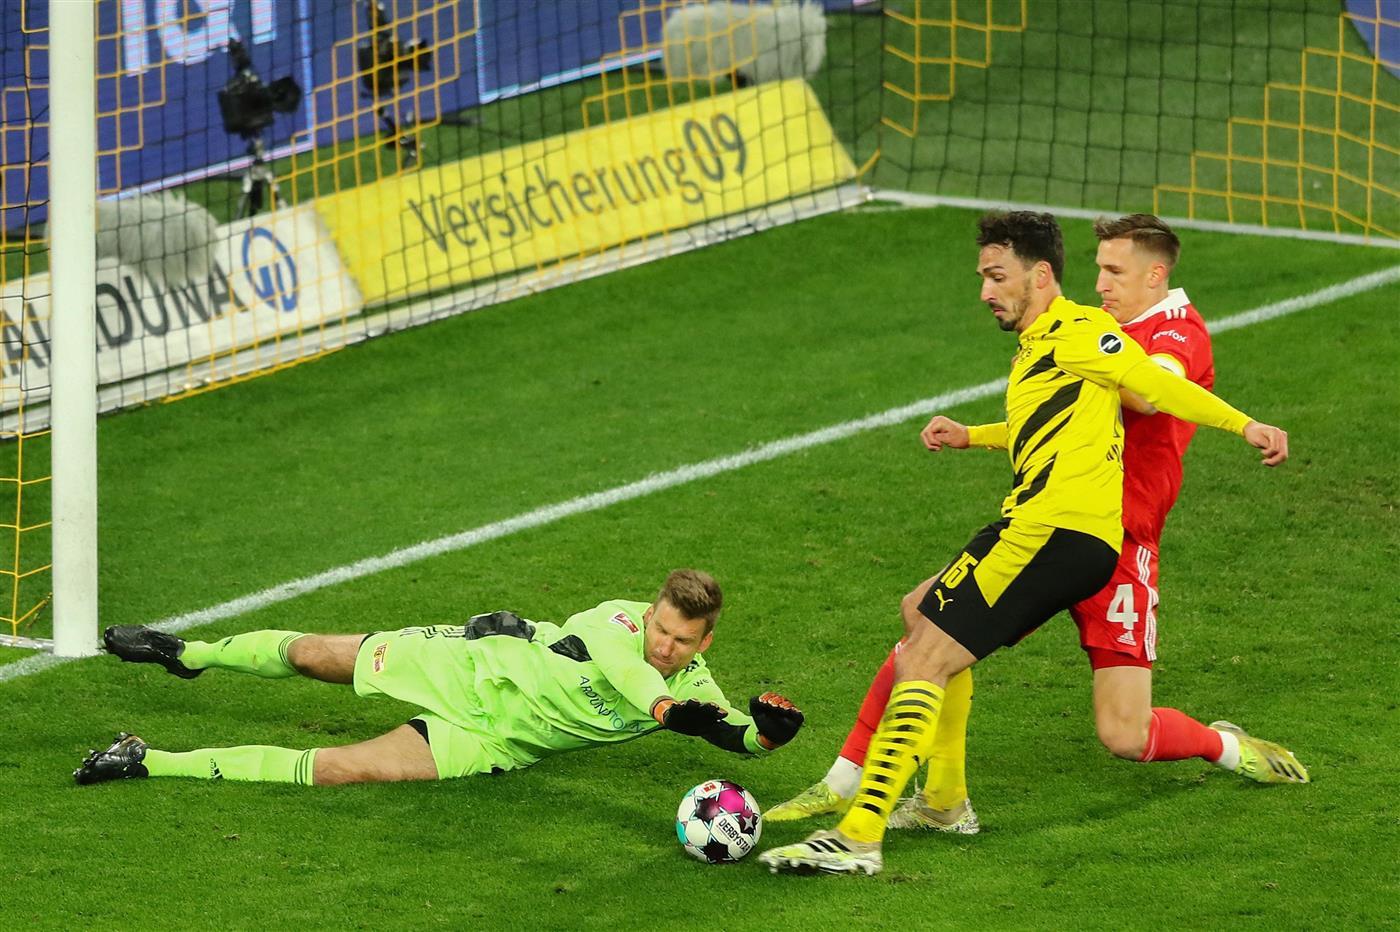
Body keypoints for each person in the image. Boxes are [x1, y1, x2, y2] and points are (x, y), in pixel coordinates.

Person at [758, 210, 1292, 876]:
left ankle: (861, 831)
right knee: (924, 615)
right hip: (1039, 525)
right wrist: (971, 436)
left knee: (927, 654)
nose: (984, 291)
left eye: (995, 276)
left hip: (1066, 533)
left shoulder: (1081, 331)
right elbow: (1049, 426)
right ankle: (944, 801)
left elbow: (1155, 386)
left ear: (1038, 276)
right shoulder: (1042, 346)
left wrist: (1247, 426)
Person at [74, 569, 804, 786]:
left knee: (340, 771)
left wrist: (768, 734)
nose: (666, 647)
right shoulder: (616, 627)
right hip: (469, 667)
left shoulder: (694, 682)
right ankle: (189, 652)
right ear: (649, 613)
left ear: (706, 638)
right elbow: (641, 688)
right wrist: (685, 717)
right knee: (314, 656)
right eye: (661, 630)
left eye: (683, 642)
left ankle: (147, 760)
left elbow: (734, 737)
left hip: (492, 742)